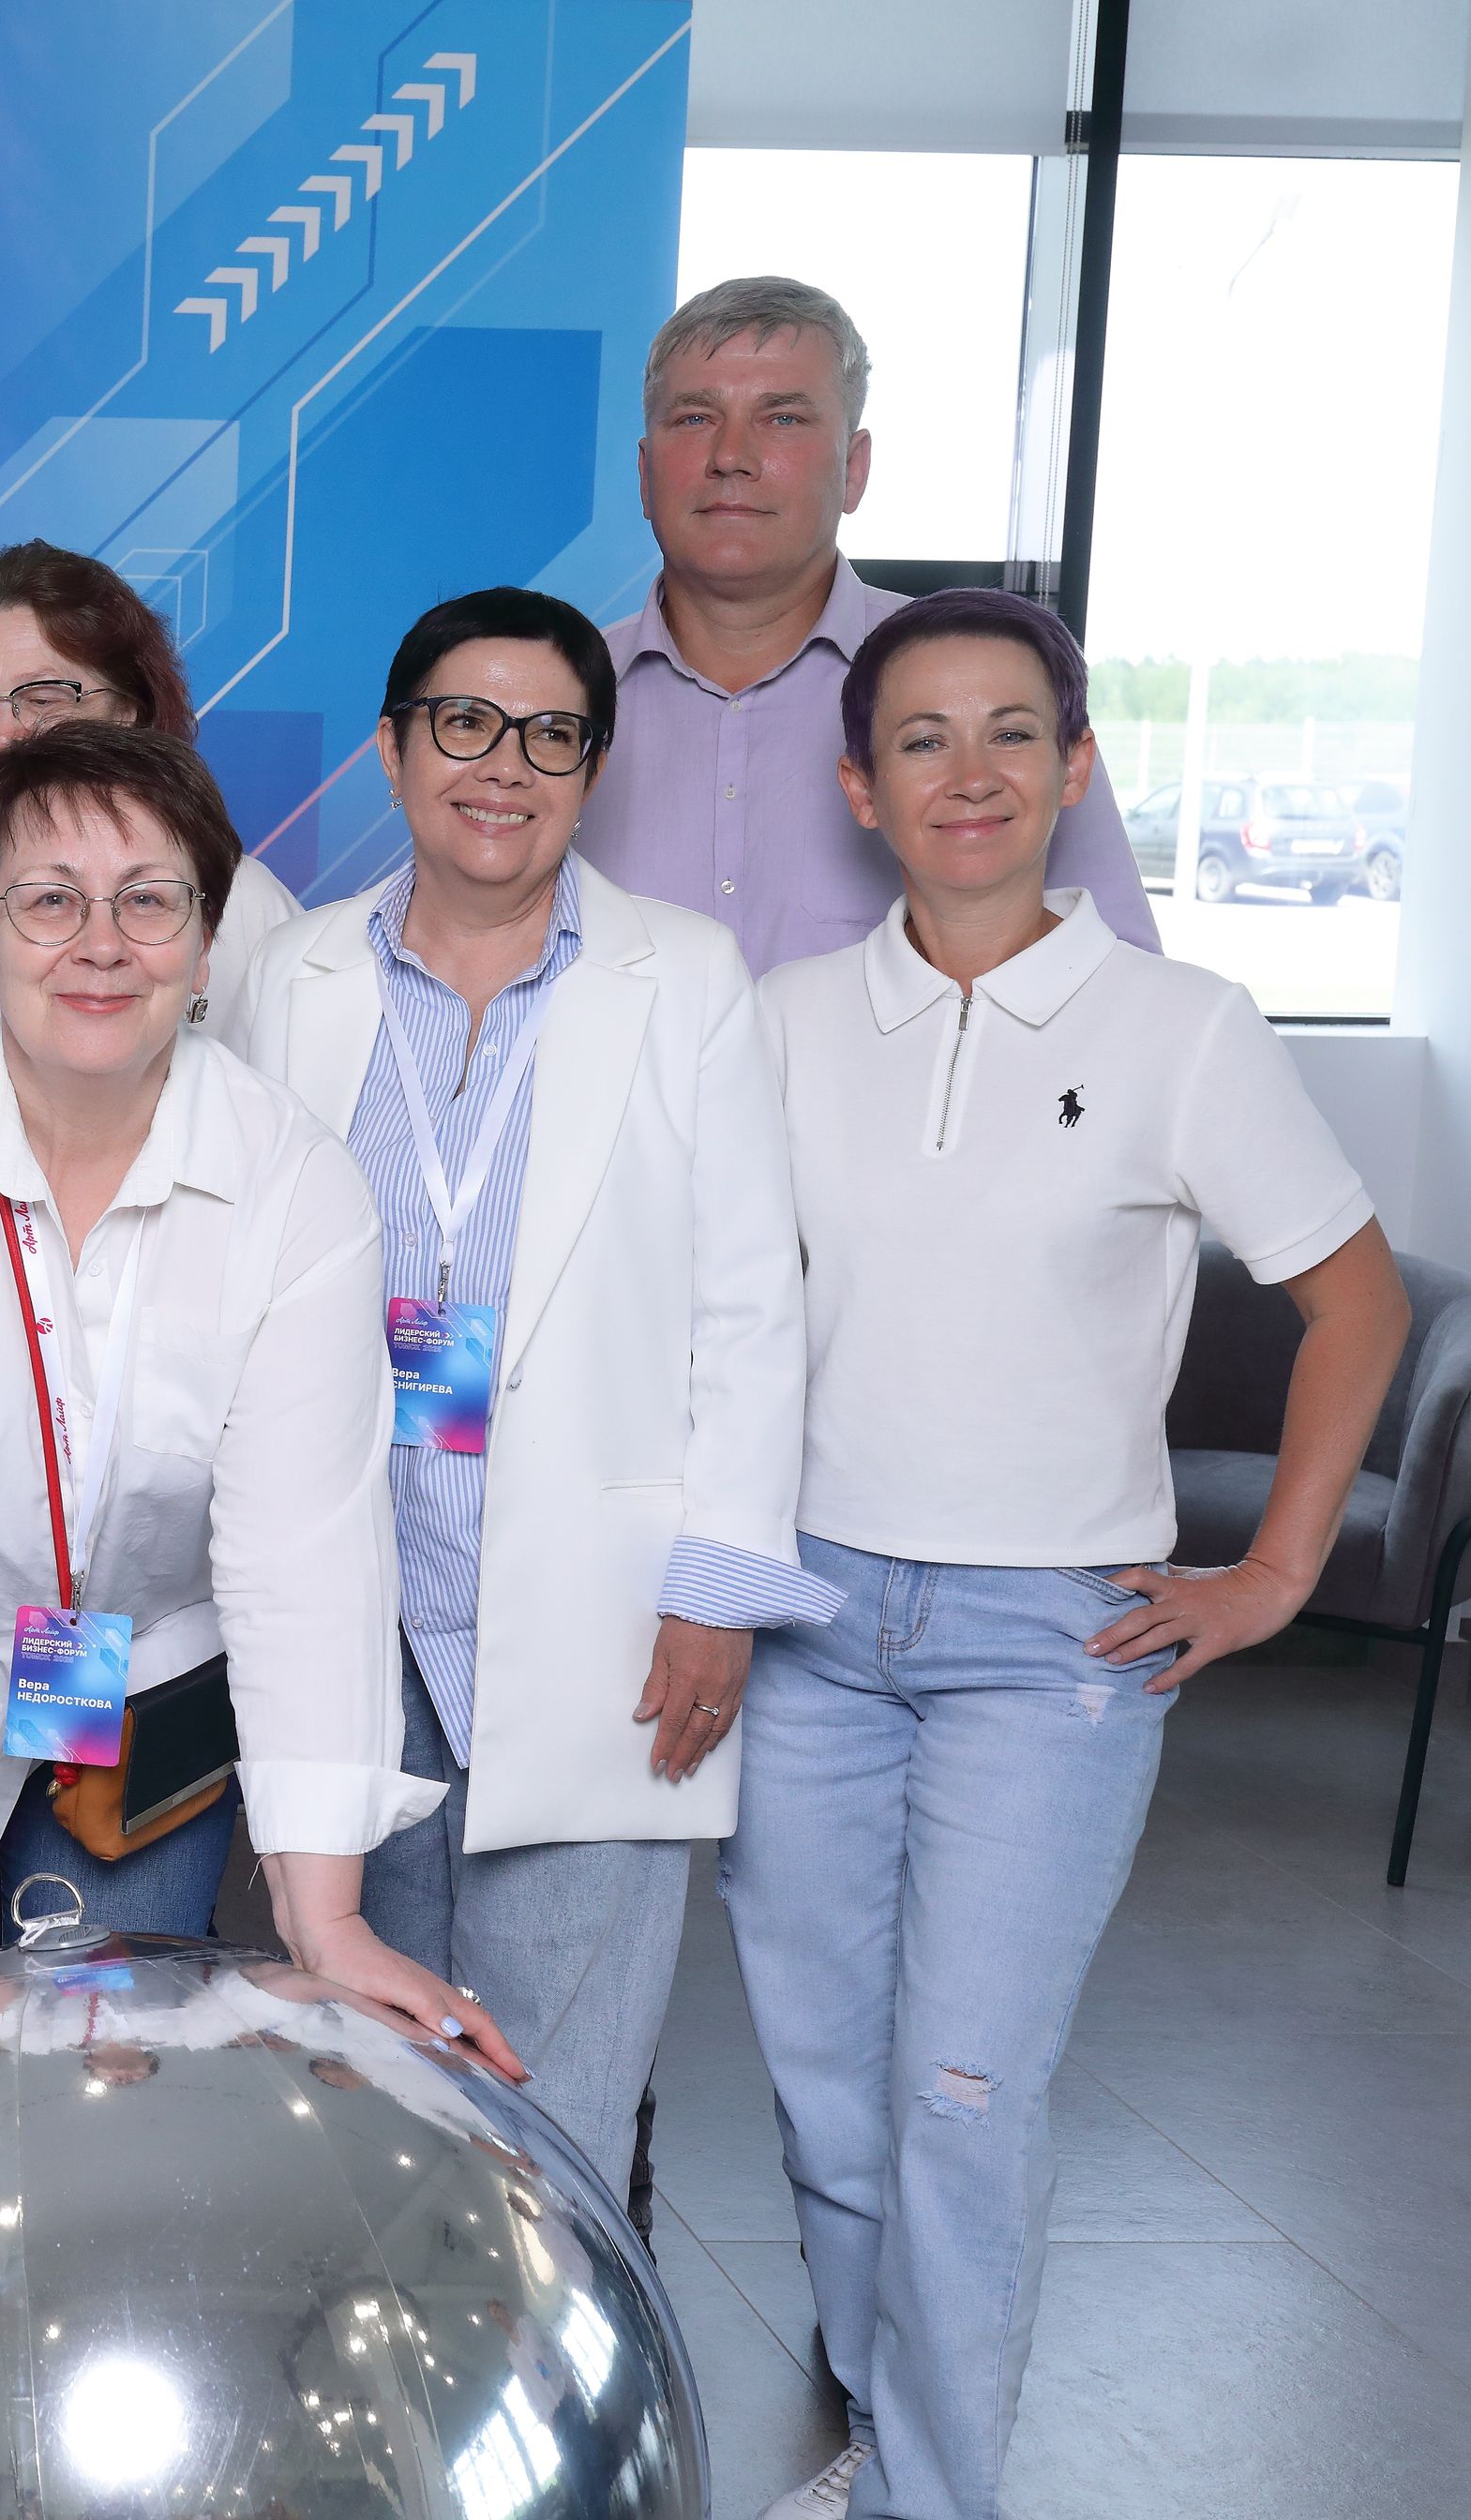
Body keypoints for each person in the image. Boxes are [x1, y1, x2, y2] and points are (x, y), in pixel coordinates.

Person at [733, 591, 1405, 2520]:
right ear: (859, 789)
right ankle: (884, 2447)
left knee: (962, 2098)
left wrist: (1272, 1575)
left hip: (1052, 1650)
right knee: (833, 2100)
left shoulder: (1182, 1027)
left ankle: (932, 2499)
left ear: (1076, 767)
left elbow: (1357, 1302)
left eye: (1012, 731)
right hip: (810, 1623)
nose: (971, 772)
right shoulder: (783, 1024)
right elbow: (717, 1323)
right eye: (922, 738)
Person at [0, 724, 524, 2086]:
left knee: (109, 2056)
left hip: (154, 1666)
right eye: (49, 901)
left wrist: (328, 1920)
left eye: (150, 900)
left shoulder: (298, 1189)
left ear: (207, 944)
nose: (102, 945)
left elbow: (301, 1556)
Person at [230, 587, 829, 2198]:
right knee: (364, 2094)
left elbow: (750, 1301)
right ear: (392, 747)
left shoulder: (683, 977)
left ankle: (554, 2355)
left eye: (551, 734)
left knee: (554, 2107)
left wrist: (717, 1587)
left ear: (592, 767)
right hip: (354, 1602)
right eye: (464, 724)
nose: (503, 765)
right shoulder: (291, 974)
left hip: (601, 1611)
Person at [577, 277, 1158, 972]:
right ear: (645, 474)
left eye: (783, 419)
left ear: (854, 469)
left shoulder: (990, 684)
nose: (731, 457)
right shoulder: (553, 706)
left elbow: (1121, 986)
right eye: (696, 418)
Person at [0, 540, 303, 1159]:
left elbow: (299, 1145)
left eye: (43, 699)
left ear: (129, 712)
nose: (5, 733)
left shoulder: (252, 907)